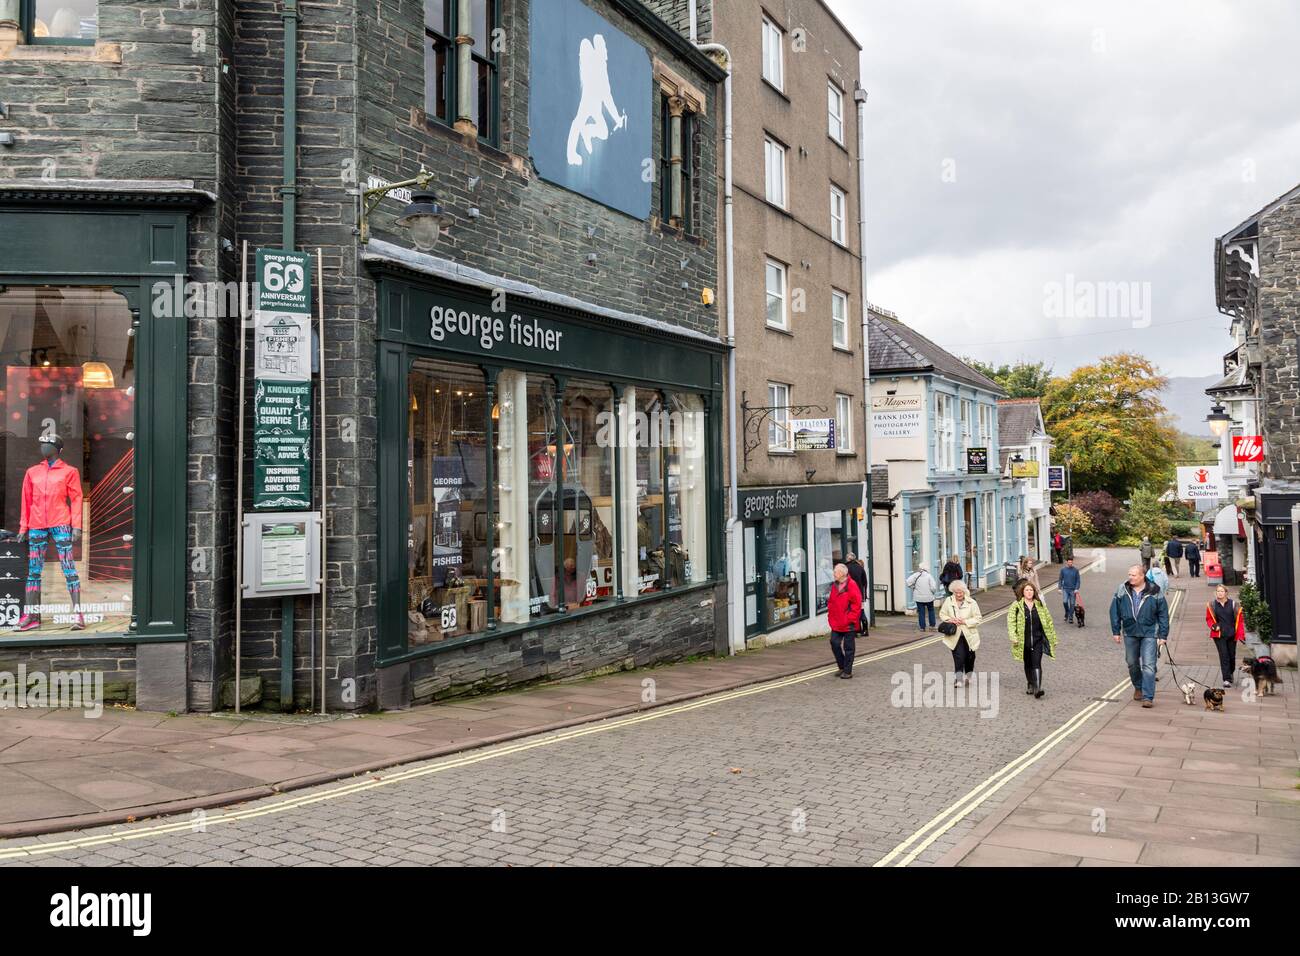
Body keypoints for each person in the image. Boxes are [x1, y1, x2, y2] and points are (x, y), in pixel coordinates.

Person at [1109, 564, 1170, 708]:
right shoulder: (1122, 589)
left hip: (1149, 632)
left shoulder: (1155, 590)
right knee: (1132, 663)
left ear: (1142, 576)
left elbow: (1163, 614)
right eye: (1129, 574)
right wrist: (1116, 631)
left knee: (1148, 665)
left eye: (1133, 575)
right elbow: (1114, 611)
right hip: (1130, 631)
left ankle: (1147, 697)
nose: (1130, 577)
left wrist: (1163, 634)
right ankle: (1138, 686)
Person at [1008, 582, 1057, 698]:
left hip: (1037, 640)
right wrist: (1013, 637)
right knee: (1028, 663)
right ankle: (1030, 683)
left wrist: (1053, 639)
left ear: (1034, 592)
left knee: (1036, 662)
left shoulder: (1040, 605)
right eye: (1027, 590)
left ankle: (1037, 688)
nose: (1029, 592)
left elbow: (1049, 622)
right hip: (1023, 641)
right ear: (1023, 592)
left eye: (1031, 590)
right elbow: (1011, 623)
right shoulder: (1016, 606)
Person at [938, 578, 982, 687]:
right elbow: (942, 614)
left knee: (970, 657)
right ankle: (958, 679)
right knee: (959, 657)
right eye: (956, 592)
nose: (958, 595)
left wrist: (965, 621)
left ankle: (969, 675)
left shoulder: (972, 603)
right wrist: (951, 620)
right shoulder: (948, 601)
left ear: (964, 592)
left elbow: (978, 618)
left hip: (969, 635)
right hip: (955, 635)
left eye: (960, 592)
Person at [827, 563, 863, 679]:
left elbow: (856, 604)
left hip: (848, 623)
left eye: (835, 572)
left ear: (842, 573)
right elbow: (831, 603)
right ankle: (841, 666)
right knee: (834, 643)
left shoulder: (852, 585)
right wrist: (830, 617)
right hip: (836, 622)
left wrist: (851, 619)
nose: (834, 574)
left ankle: (847, 671)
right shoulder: (834, 586)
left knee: (849, 648)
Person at [1206, 584, 1245, 689]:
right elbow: (1209, 619)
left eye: (1222, 591)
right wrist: (1214, 626)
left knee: (1232, 656)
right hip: (1219, 635)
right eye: (1218, 591)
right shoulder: (1212, 605)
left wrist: (1241, 635)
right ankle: (1226, 679)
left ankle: (1230, 672)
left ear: (1226, 593)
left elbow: (1240, 621)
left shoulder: (1234, 604)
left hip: (1232, 634)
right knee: (1224, 656)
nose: (1219, 593)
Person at [906, 563, 939, 632]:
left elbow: (908, 582)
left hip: (919, 598)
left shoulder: (916, 575)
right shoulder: (929, 576)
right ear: (927, 568)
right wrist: (932, 593)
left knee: (921, 612)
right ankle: (932, 626)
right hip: (929, 597)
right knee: (931, 610)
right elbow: (933, 587)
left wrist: (913, 587)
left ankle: (922, 627)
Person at [845, 552, 870, 634]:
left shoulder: (846, 568)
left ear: (848, 559)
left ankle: (856, 630)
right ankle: (865, 630)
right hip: (860, 595)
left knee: (852, 612)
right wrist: (864, 595)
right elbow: (865, 583)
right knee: (861, 611)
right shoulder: (860, 568)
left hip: (850, 595)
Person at [1058, 556, 1081, 624]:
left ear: (1072, 562)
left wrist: (1077, 588)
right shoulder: (1063, 570)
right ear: (1067, 562)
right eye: (1069, 562)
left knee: (1072, 604)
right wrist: (1059, 588)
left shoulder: (1076, 570)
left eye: (1071, 562)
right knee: (1065, 602)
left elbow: (1078, 580)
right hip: (1065, 589)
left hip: (1073, 590)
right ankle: (1067, 612)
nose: (1070, 563)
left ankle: (1070, 617)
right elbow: (1060, 579)